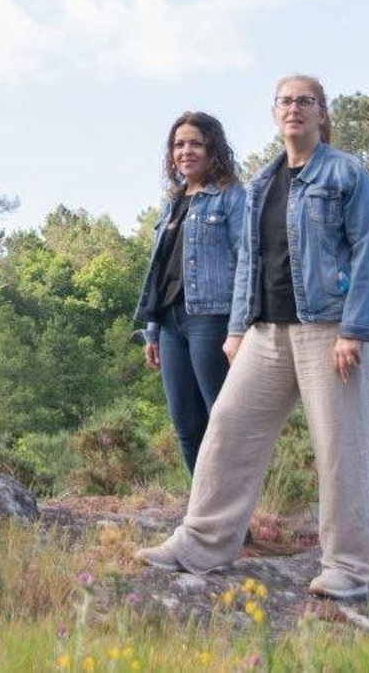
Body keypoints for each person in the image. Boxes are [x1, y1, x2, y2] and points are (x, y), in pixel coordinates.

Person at [137, 75, 369, 601]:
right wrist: (236, 329)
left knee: (340, 449)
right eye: (286, 101)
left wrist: (354, 330)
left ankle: (350, 568)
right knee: (226, 427)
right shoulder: (261, 182)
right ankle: (200, 545)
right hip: (267, 333)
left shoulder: (346, 173)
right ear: (275, 113)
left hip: (328, 329)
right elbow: (249, 259)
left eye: (305, 101)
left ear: (322, 112)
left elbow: (367, 252)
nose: (295, 109)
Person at [133, 112, 246, 474]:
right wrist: (152, 330)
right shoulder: (171, 205)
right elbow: (160, 271)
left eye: (195, 143)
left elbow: (247, 262)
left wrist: (239, 327)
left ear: (213, 148)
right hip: (169, 323)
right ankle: (203, 514)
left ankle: (233, 516)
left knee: (222, 421)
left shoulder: (230, 197)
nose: (186, 151)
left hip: (211, 318)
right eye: (179, 144)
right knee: (186, 424)